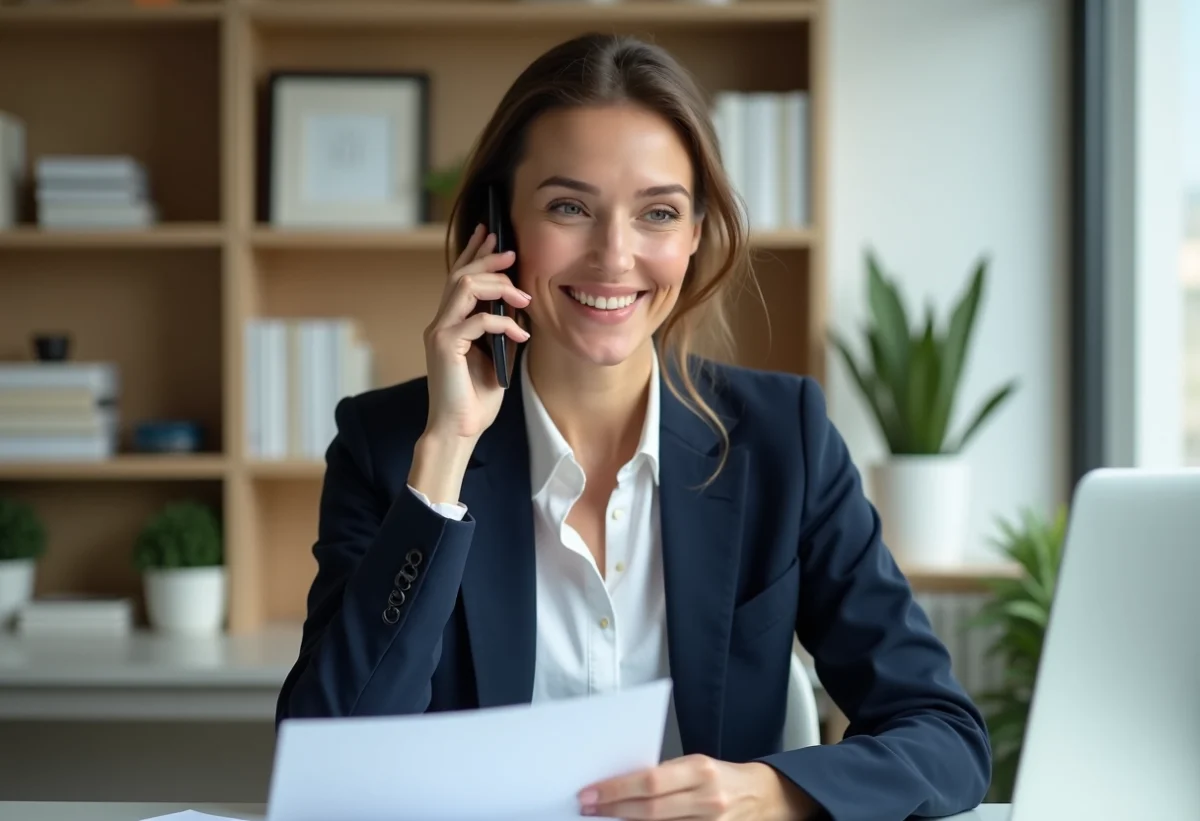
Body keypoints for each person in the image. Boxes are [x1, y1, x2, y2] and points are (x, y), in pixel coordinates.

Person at [275, 32, 992, 821]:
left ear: (694, 233)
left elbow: (946, 737)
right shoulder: (390, 447)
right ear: (498, 226)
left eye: (658, 212)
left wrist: (773, 790)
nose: (615, 256)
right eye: (569, 207)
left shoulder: (784, 438)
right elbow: (326, 774)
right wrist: (445, 452)